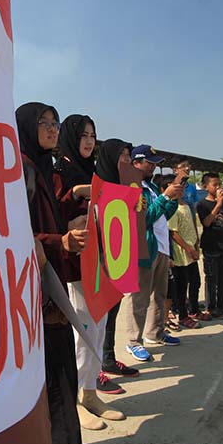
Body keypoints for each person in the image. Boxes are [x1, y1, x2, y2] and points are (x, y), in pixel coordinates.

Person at [16, 102, 85, 444]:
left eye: (55, 122)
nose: (52, 128)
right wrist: (60, 241)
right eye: (44, 123)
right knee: (48, 373)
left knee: (61, 369)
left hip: (52, 283)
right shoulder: (19, 169)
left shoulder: (46, 171)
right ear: (27, 127)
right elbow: (14, 232)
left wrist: (71, 204)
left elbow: (50, 211)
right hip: (33, 289)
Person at [54, 115, 126, 429]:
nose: (89, 140)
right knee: (82, 330)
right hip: (77, 265)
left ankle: (90, 392)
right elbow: (53, 211)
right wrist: (79, 193)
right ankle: (74, 400)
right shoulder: (60, 171)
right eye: (83, 134)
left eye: (93, 135)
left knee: (99, 325)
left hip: (102, 260)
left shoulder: (94, 172)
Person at [121, 145, 183, 362]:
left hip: (160, 247)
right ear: (136, 162)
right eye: (150, 162)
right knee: (138, 297)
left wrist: (172, 199)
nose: (154, 166)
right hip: (143, 249)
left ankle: (155, 332)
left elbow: (161, 215)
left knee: (159, 294)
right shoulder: (131, 186)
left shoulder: (150, 186)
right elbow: (142, 219)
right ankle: (133, 341)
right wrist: (163, 198)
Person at [93, 140, 143, 380]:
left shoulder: (126, 184)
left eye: (127, 154)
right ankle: (97, 366)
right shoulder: (98, 183)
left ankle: (108, 359)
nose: (125, 158)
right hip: (101, 258)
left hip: (120, 257)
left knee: (113, 311)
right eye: (121, 154)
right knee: (99, 314)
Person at [168, 162, 207, 328]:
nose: (182, 189)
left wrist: (196, 244)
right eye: (179, 187)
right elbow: (173, 232)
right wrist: (188, 248)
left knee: (196, 281)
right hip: (181, 253)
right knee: (182, 285)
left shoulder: (186, 205)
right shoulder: (173, 207)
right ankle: (183, 315)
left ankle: (194, 309)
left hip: (192, 250)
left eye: (184, 187)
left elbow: (192, 225)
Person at [196, 173, 223, 319]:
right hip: (211, 246)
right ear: (205, 187)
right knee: (212, 278)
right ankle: (211, 308)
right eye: (215, 184)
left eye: (219, 184)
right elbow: (206, 223)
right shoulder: (202, 204)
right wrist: (218, 205)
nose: (218, 187)